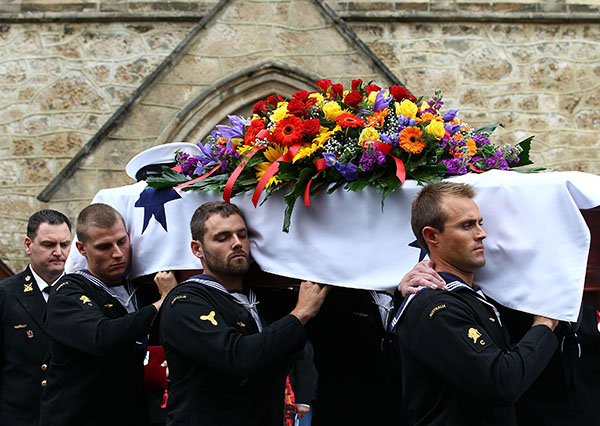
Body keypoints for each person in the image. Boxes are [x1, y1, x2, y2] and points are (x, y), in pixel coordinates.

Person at [393, 181, 559, 425]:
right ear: (431, 236)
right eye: (467, 225)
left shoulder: (471, 298)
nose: (481, 234)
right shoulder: (437, 307)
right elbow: (502, 382)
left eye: (480, 223)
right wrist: (546, 322)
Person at [160, 201, 330, 426]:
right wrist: (301, 313)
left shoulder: (265, 300)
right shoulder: (184, 302)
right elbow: (237, 357)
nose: (237, 244)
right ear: (197, 249)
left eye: (243, 235)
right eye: (223, 238)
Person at [39, 203, 177, 426]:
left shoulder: (140, 288)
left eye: (122, 241)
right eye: (104, 247)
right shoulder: (68, 291)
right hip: (79, 417)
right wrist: (162, 302)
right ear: (82, 249)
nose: (117, 253)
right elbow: (102, 337)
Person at [0, 210, 71, 426]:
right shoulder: (6, 294)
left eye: (65, 244)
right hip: (21, 416)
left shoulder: (84, 292)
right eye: (49, 245)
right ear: (28, 245)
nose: (58, 252)